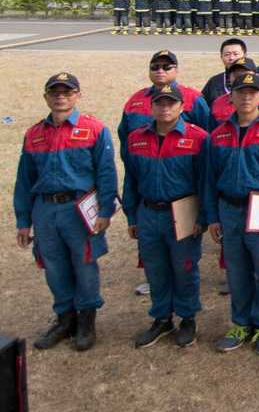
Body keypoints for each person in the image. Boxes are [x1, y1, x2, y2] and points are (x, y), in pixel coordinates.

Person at [14, 73, 118, 352]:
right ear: (46, 96)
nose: (61, 96)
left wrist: (106, 211)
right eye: (55, 92)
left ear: (78, 96)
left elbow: (106, 173)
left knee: (84, 264)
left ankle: (86, 319)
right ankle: (64, 318)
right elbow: (24, 180)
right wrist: (23, 220)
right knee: (54, 265)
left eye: (67, 92)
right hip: (45, 210)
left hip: (78, 209)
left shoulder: (94, 129)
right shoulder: (34, 134)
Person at [205, 72, 259, 354]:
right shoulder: (218, 134)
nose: (246, 97)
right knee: (237, 271)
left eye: (252, 92)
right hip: (229, 210)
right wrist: (212, 217)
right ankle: (241, 322)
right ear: (230, 96)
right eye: (240, 92)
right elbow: (208, 180)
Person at [121, 85, 209, 348]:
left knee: (184, 268)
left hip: (182, 211)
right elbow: (131, 180)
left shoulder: (199, 138)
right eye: (160, 103)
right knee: (155, 270)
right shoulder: (136, 138)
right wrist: (131, 216)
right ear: (151, 107)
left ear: (182, 107)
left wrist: (202, 217)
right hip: (148, 213)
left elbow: (205, 181)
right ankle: (161, 318)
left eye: (171, 103)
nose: (165, 108)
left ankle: (187, 317)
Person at [201, 38, 249, 106]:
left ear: (245, 55)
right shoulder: (214, 82)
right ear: (221, 57)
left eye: (236, 54)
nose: (231, 58)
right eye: (227, 54)